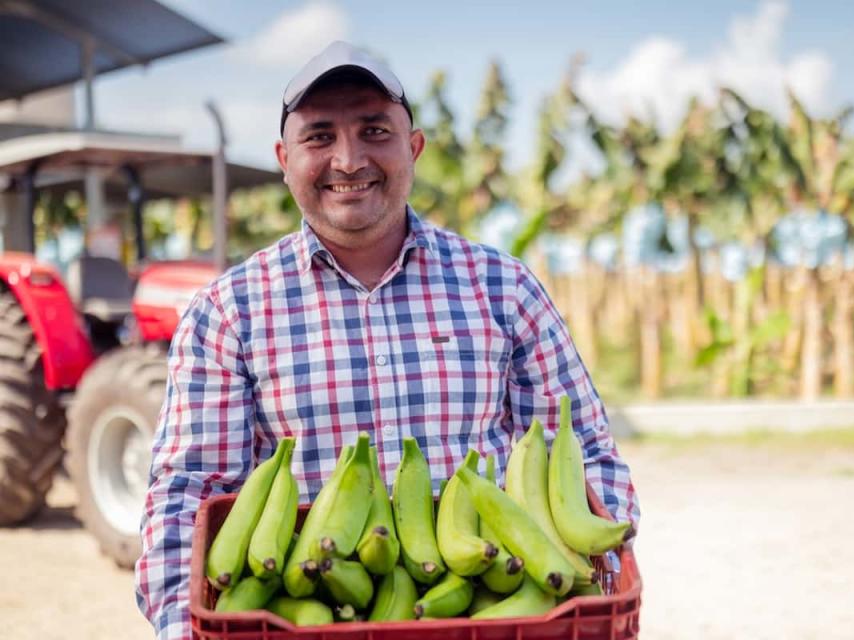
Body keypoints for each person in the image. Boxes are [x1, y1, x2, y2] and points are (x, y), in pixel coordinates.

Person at [135, 41, 640, 639]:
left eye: (374, 130)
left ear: (414, 147)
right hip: (305, 601)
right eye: (319, 137)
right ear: (284, 157)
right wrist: (178, 625)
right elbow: (189, 493)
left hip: (492, 606)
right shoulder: (227, 312)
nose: (348, 160)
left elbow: (585, 456)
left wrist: (587, 575)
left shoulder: (504, 289)